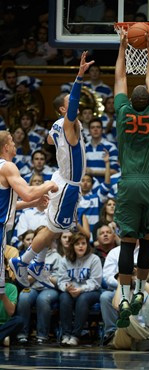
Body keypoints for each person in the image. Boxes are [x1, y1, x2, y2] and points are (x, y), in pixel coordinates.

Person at [10, 51, 94, 289]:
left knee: (60, 226)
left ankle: (38, 263)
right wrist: (79, 76)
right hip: (68, 182)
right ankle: (23, 260)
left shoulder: (58, 126)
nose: (75, 106)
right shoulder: (68, 123)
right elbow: (73, 104)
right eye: (69, 104)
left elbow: (48, 141)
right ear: (62, 110)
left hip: (64, 178)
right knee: (54, 228)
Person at [113, 29, 149, 327]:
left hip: (130, 181)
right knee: (148, 238)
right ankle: (137, 291)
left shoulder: (122, 112)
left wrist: (123, 48)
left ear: (131, 101)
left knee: (127, 240)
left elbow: (121, 78)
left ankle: (122, 295)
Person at [0, 130, 57, 293]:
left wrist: (34, 202)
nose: (14, 144)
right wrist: (49, 184)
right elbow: (27, 192)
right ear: (5, 147)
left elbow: (10, 204)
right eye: (11, 141)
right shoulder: (7, 166)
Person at [57, 232, 102, 346]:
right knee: (64, 297)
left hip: (91, 291)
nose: (81, 246)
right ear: (72, 246)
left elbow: (96, 282)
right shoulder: (65, 260)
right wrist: (67, 287)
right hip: (71, 291)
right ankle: (66, 334)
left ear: (87, 245)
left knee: (83, 299)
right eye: (77, 244)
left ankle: (76, 335)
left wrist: (81, 289)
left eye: (83, 243)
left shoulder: (94, 259)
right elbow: (61, 280)